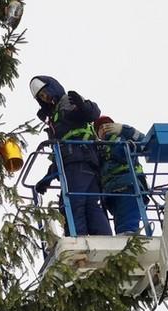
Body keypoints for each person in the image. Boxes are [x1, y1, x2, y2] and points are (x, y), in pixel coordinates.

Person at [30, 76, 112, 236]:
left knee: (72, 203)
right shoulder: (55, 118)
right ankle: (104, 238)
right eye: (41, 97)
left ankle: (77, 239)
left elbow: (92, 113)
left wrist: (83, 105)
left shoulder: (66, 103)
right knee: (90, 204)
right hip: (83, 163)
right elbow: (59, 153)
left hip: (78, 162)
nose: (45, 97)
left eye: (45, 92)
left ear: (53, 88)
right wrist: (48, 178)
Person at [94, 115, 148, 235]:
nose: (103, 128)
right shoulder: (99, 149)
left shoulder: (124, 138)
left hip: (129, 185)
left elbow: (146, 143)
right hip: (110, 192)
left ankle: (130, 245)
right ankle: (126, 245)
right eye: (100, 128)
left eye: (106, 125)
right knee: (120, 226)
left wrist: (124, 129)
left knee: (128, 225)